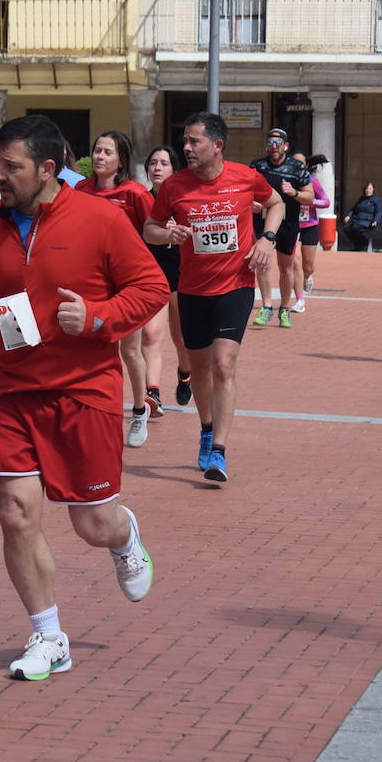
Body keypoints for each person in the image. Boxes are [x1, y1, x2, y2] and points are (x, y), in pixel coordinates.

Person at [0, 114, 167, 681]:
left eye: (10, 166)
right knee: (16, 512)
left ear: (47, 169)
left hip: (83, 391)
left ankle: (124, 534)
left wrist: (97, 317)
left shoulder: (100, 219)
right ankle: (49, 635)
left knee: (91, 526)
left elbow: (151, 287)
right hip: (15, 392)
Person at [144, 111, 283, 483]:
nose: (186, 148)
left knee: (224, 364)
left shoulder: (245, 177)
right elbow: (150, 229)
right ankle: (206, 428)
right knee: (201, 368)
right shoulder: (175, 186)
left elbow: (276, 204)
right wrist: (167, 235)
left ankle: (219, 451)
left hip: (236, 284)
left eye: (194, 142)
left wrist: (267, 239)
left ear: (217, 145)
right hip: (192, 289)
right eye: (185, 141)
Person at [73, 130, 161, 448]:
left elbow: (153, 230)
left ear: (120, 159)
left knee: (130, 351)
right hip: (90, 283)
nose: (100, 157)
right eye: (97, 151)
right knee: (86, 350)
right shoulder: (80, 190)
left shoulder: (135, 193)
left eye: (108, 152)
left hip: (126, 286)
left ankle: (139, 412)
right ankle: (87, 410)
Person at [144, 146, 194, 408]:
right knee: (151, 335)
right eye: (153, 163)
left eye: (164, 163)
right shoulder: (140, 199)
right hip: (151, 279)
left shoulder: (183, 200)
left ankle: (185, 375)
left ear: (174, 169)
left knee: (182, 338)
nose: (157, 168)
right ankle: (153, 393)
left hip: (181, 276)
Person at [248, 129, 313, 329]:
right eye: (270, 142)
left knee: (286, 267)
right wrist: (253, 202)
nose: (274, 146)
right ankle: (267, 306)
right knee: (262, 264)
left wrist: (293, 192)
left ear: (285, 146)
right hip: (263, 221)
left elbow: (309, 196)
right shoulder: (257, 166)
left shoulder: (296, 168)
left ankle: (284, 309)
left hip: (288, 222)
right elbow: (247, 192)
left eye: (278, 143)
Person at [289, 154, 331, 313]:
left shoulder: (312, 181)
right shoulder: (286, 180)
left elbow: (326, 201)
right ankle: (300, 300)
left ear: (306, 166)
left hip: (310, 226)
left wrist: (309, 200)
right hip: (292, 226)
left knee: (308, 265)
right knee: (295, 262)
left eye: (301, 164)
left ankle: (307, 276)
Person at [343, 182, 382, 252]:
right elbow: (354, 209)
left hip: (368, 221)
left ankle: (363, 243)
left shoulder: (377, 199)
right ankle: (358, 245)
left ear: (373, 189)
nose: (368, 190)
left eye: (370, 188)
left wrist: (376, 220)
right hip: (358, 220)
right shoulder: (362, 199)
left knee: (355, 228)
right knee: (346, 228)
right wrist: (348, 215)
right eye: (367, 188)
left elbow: (379, 211)